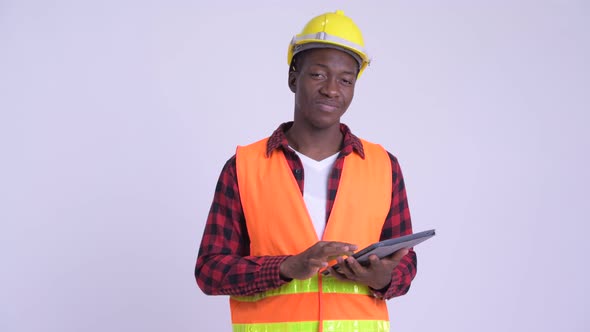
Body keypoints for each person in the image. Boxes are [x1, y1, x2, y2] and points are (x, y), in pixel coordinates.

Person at [195, 10, 417, 332]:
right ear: (292, 78)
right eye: (318, 74)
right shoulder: (244, 167)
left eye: (345, 79)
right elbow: (210, 270)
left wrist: (384, 278)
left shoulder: (383, 166)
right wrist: (286, 267)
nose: (332, 89)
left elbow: (405, 262)